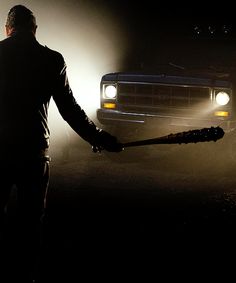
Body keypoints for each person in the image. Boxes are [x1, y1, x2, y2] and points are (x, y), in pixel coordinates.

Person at [0, 5, 123, 283]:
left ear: (8, 29)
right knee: (31, 222)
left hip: (0, 150)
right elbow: (70, 110)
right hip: (34, 152)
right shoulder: (51, 60)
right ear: (34, 30)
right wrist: (99, 138)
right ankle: (26, 278)